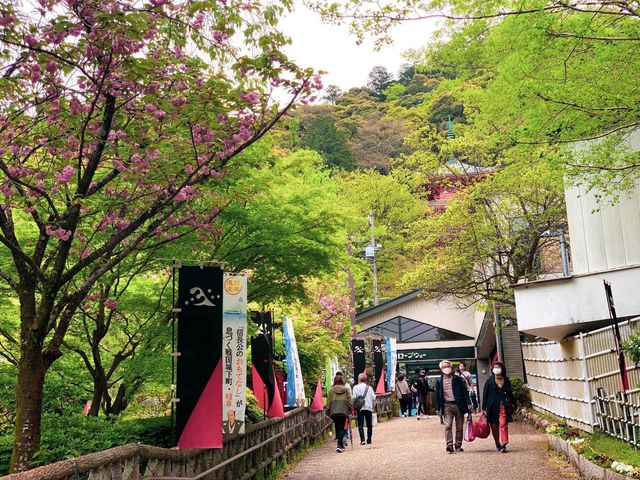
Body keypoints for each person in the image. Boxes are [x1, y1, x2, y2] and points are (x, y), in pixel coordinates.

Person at [435, 359, 472, 453]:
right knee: (448, 425)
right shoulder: (439, 380)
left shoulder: (458, 378)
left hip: (459, 404)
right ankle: (449, 445)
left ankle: (458, 445)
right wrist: (437, 408)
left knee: (459, 426)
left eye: (448, 366)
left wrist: (468, 403)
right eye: (444, 367)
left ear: (451, 367)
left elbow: (464, 392)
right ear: (441, 369)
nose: (446, 368)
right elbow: (437, 395)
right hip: (446, 405)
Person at [482, 361, 516, 453]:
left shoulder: (506, 380)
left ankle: (504, 443)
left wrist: (514, 404)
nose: (496, 369)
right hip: (492, 406)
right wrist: (483, 408)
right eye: (495, 367)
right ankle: (497, 443)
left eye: (498, 367)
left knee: (503, 424)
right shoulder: (489, 381)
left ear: (502, 369)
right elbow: (485, 394)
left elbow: (510, 393)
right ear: (492, 369)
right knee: (494, 425)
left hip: (503, 406)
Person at [326, 372, 353, 453]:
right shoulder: (346, 390)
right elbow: (349, 402)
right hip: (343, 411)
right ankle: (339, 445)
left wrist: (327, 411)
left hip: (334, 411)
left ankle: (340, 445)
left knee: (338, 428)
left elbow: (329, 402)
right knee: (341, 428)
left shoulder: (331, 390)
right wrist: (350, 410)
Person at [352, 372, 377, 445]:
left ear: (359, 380)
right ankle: (369, 439)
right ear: (366, 380)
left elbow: (353, 398)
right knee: (369, 424)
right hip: (368, 407)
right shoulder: (369, 388)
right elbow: (374, 397)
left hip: (360, 408)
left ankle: (362, 440)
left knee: (360, 424)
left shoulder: (355, 387)